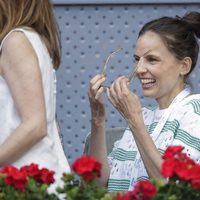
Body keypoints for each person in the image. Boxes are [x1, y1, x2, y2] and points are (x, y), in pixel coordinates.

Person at [88, 11, 200, 192]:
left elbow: (174, 191)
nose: (139, 69)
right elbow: (96, 185)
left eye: (152, 59)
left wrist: (134, 120)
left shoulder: (195, 111)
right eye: (137, 60)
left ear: (184, 66)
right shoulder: (146, 117)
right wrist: (98, 118)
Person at [0, 0, 70, 193]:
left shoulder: (15, 42)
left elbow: (35, 125)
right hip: (34, 180)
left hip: (25, 182)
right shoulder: (31, 40)